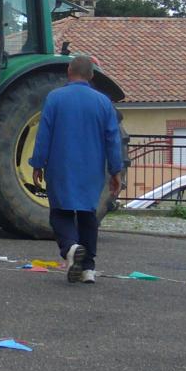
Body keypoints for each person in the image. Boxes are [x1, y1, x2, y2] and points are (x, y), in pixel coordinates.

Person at [28, 54, 125, 284]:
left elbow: (44, 134)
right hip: (92, 167)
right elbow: (113, 139)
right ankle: (88, 268)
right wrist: (115, 171)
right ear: (92, 76)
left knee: (60, 212)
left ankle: (71, 248)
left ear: (69, 71)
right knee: (87, 215)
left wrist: (38, 162)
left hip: (61, 164)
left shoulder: (55, 98)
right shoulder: (103, 102)